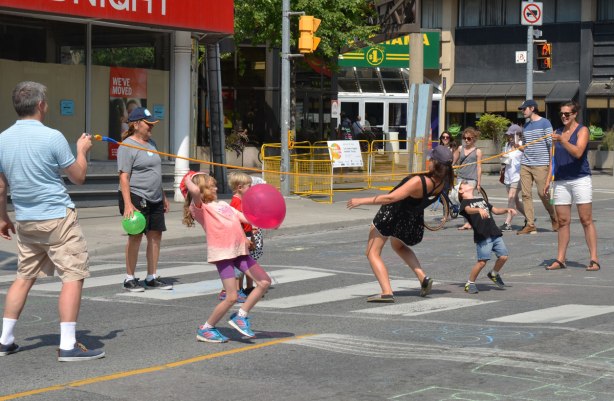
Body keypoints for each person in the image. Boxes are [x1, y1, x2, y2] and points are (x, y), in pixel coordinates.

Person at [0, 81, 104, 361]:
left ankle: (5, 339)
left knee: (24, 277)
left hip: (26, 218)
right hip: (57, 216)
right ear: (40, 105)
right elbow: (78, 177)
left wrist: (3, 218)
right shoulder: (53, 137)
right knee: (73, 275)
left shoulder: (2, 139)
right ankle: (68, 344)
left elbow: (0, 187)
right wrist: (82, 149)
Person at [346, 145, 454, 303]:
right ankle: (422, 277)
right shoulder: (442, 183)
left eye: (431, 159)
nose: (428, 161)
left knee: (372, 253)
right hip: (408, 218)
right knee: (399, 246)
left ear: (435, 163)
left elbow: (391, 198)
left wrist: (361, 200)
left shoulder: (420, 181)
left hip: (392, 215)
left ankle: (386, 291)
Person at [181, 172, 271, 342]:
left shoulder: (223, 204)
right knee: (232, 296)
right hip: (223, 255)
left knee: (264, 282)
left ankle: (241, 316)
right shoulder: (200, 208)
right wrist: (188, 177)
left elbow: (244, 217)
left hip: (239, 252)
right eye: (211, 185)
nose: (216, 187)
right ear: (201, 189)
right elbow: (193, 190)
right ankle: (206, 328)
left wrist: (267, 221)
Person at [117, 107, 172, 292]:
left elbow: (155, 172)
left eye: (152, 124)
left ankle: (152, 276)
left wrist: (163, 195)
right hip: (135, 195)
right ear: (136, 124)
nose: (151, 127)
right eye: (148, 124)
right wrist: (128, 204)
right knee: (136, 237)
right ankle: (129, 278)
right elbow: (124, 176)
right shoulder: (127, 146)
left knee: (156, 235)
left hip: (155, 195)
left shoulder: (152, 143)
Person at [544, 102, 600, 271]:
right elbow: (552, 159)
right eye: (561, 114)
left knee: (586, 219)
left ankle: (594, 259)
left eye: (567, 114)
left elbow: (577, 152)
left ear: (575, 114)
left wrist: (563, 140)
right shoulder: (557, 133)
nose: (564, 117)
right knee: (562, 221)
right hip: (561, 180)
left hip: (580, 179)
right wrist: (548, 180)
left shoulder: (582, 131)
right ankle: (560, 259)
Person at [458, 180, 515, 294]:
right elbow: (468, 210)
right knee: (482, 262)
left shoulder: (481, 200)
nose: (468, 183)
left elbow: (495, 210)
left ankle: (493, 274)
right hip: (483, 236)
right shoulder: (465, 203)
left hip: (494, 232)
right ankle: (470, 283)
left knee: (503, 256)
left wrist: (506, 210)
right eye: (464, 183)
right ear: (461, 190)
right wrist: (478, 209)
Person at [517, 99, 558, 235]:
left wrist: (551, 165)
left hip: (541, 164)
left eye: (524, 109)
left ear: (532, 108)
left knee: (542, 193)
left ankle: (554, 216)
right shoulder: (526, 126)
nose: (522, 111)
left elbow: (550, 146)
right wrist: (520, 148)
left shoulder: (545, 123)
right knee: (525, 194)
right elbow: (528, 146)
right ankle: (530, 224)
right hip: (526, 164)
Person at [453, 127, 483, 230]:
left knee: (468, 200)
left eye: (469, 138)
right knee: (462, 201)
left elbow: (479, 167)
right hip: (461, 177)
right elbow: (453, 160)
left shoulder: (478, 151)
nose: (466, 140)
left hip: (471, 178)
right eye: (465, 138)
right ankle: (468, 221)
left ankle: (470, 222)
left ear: (473, 139)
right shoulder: (461, 148)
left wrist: (478, 183)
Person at [500, 124, 525, 231]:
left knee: (511, 197)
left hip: (518, 176)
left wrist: (518, 146)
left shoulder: (522, 145)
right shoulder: (507, 145)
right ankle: (529, 217)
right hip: (508, 175)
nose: (509, 137)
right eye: (508, 135)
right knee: (515, 201)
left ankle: (507, 222)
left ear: (517, 135)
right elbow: (505, 159)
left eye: (511, 135)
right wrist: (503, 157)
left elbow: (528, 154)